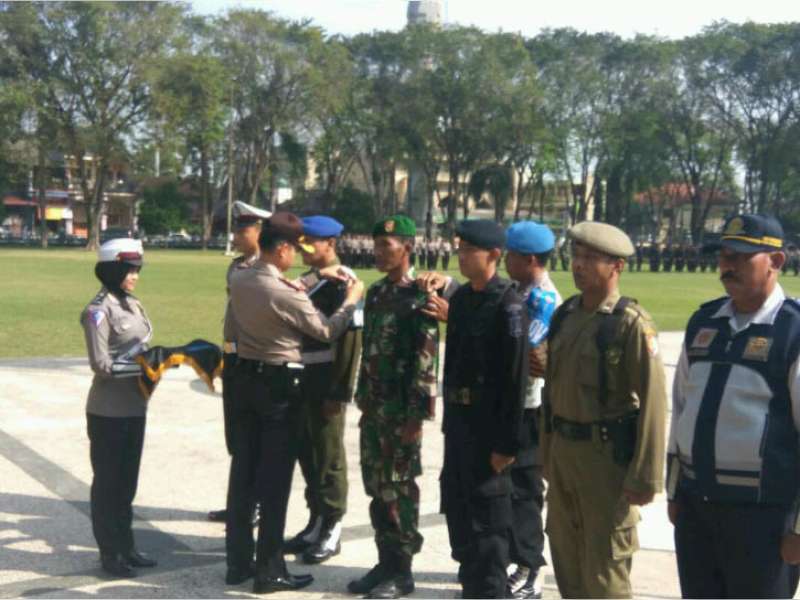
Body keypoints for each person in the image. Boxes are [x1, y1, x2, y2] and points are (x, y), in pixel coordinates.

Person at [226, 212, 364, 594]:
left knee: (244, 476)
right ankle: (269, 569)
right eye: (295, 250)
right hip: (279, 387)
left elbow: (281, 287)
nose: (298, 257)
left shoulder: (239, 276)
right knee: (275, 483)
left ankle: (238, 561)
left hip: (248, 381)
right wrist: (351, 300)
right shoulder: (286, 289)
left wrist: (319, 277)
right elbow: (325, 329)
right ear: (283, 248)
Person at [667, 214, 800, 598]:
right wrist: (675, 494)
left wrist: (798, 529)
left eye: (742, 256)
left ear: (776, 262)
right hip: (698, 510)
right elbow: (681, 410)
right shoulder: (704, 322)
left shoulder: (792, 330)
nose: (728, 265)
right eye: (724, 255)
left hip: (762, 517)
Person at [540, 221, 667, 598]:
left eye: (591, 258)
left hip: (605, 460)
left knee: (605, 571)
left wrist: (645, 475)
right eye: (576, 256)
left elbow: (654, 402)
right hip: (564, 454)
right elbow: (553, 391)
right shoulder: (565, 315)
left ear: (617, 267)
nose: (579, 265)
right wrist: (547, 451)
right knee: (567, 559)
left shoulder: (629, 324)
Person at [346, 215, 440, 599]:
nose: (379, 252)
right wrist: (363, 397)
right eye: (377, 245)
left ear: (408, 248)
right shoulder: (380, 293)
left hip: (403, 413)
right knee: (376, 487)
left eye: (388, 245)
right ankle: (385, 561)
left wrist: (417, 417)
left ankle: (402, 571)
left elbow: (426, 360)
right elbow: (369, 350)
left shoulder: (421, 296)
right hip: (375, 410)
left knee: (399, 490)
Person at [441, 220, 529, 598]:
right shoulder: (462, 299)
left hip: (489, 433)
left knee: (489, 532)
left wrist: (507, 445)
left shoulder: (508, 305)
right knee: (462, 527)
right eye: (459, 249)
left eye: (468, 251)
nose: (460, 256)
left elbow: (515, 381)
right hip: (459, 428)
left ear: (493, 255)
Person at [283, 216, 362, 564]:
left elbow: (351, 342)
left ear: (330, 243)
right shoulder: (313, 280)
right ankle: (316, 518)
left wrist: (340, 391)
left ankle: (333, 525)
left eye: (310, 242)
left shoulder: (345, 283)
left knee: (328, 457)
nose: (303, 248)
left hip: (326, 380)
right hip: (302, 379)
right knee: (307, 452)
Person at [80, 238, 158, 578]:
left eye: (137, 269)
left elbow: (143, 345)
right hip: (108, 411)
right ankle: (109, 554)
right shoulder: (98, 311)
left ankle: (127, 547)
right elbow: (101, 365)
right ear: (112, 269)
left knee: (127, 484)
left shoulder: (132, 304)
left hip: (135, 407)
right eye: (129, 269)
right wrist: (149, 366)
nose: (134, 276)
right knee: (108, 485)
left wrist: (157, 361)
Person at [503, 221, 562, 599]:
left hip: (529, 406)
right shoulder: (518, 289)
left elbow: (525, 350)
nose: (504, 260)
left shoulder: (543, 298)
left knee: (525, 490)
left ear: (529, 258)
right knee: (509, 489)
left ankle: (531, 567)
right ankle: (516, 558)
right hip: (511, 402)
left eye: (509, 254)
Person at [208, 200, 271, 524]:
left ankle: (256, 503)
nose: (235, 235)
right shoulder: (235, 267)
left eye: (242, 229)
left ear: (259, 232)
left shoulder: (267, 269)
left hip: (255, 359)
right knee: (235, 434)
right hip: (233, 356)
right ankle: (240, 501)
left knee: (255, 436)